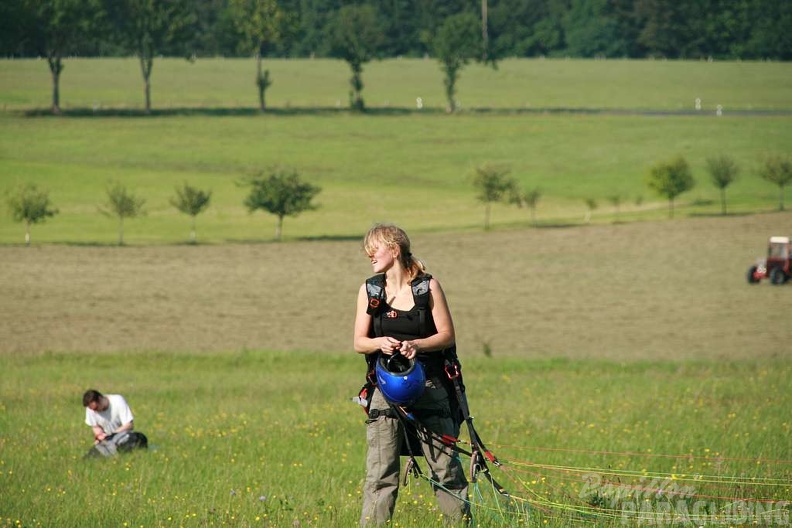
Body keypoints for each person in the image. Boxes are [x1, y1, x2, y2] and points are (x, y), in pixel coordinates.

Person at [353, 224, 469, 526]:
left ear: (394, 249)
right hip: (384, 390)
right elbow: (359, 342)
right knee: (380, 474)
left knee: (445, 470)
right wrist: (380, 343)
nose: (369, 254)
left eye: (374, 248)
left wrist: (416, 344)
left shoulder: (427, 287)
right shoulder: (370, 290)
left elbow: (447, 335)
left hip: (429, 386)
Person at [82, 389, 147, 458]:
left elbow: (129, 425)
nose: (94, 411)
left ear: (100, 399)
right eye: (92, 409)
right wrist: (99, 436)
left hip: (123, 436)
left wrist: (112, 434)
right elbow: (95, 426)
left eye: (96, 408)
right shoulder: (91, 409)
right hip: (107, 441)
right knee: (90, 458)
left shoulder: (118, 401)